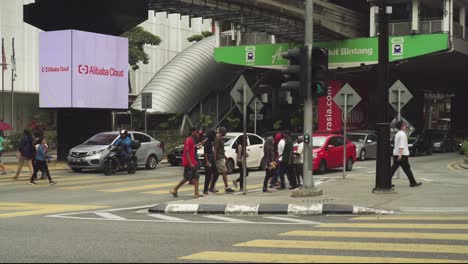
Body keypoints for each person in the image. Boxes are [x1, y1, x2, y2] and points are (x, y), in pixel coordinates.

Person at [170, 127, 204, 198]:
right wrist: (190, 162)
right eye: (196, 132)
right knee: (187, 178)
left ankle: (196, 193)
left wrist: (197, 145)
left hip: (193, 161)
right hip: (188, 162)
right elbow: (187, 152)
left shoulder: (192, 140)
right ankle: (175, 189)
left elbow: (191, 148)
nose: (197, 133)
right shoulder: (188, 140)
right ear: (192, 132)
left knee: (196, 177)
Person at [391, 121, 422, 187]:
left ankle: (387, 182)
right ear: (401, 126)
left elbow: (400, 144)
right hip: (402, 155)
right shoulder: (402, 134)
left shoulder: (398, 134)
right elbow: (401, 145)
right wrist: (400, 155)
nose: (406, 126)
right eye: (404, 125)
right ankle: (413, 183)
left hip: (396, 153)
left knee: (393, 169)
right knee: (407, 169)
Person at [213, 127, 235, 193]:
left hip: (221, 157)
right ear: (222, 131)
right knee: (224, 171)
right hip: (218, 158)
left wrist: (225, 157)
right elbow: (215, 149)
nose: (226, 133)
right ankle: (226, 187)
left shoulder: (221, 138)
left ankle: (211, 186)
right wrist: (214, 159)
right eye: (225, 131)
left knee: (215, 173)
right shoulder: (218, 138)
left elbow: (221, 150)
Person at [203, 129, 218, 195]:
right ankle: (205, 190)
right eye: (214, 135)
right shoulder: (207, 142)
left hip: (212, 159)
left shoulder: (211, 142)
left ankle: (211, 187)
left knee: (216, 173)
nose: (215, 137)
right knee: (208, 176)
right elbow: (205, 153)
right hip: (208, 160)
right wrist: (207, 162)